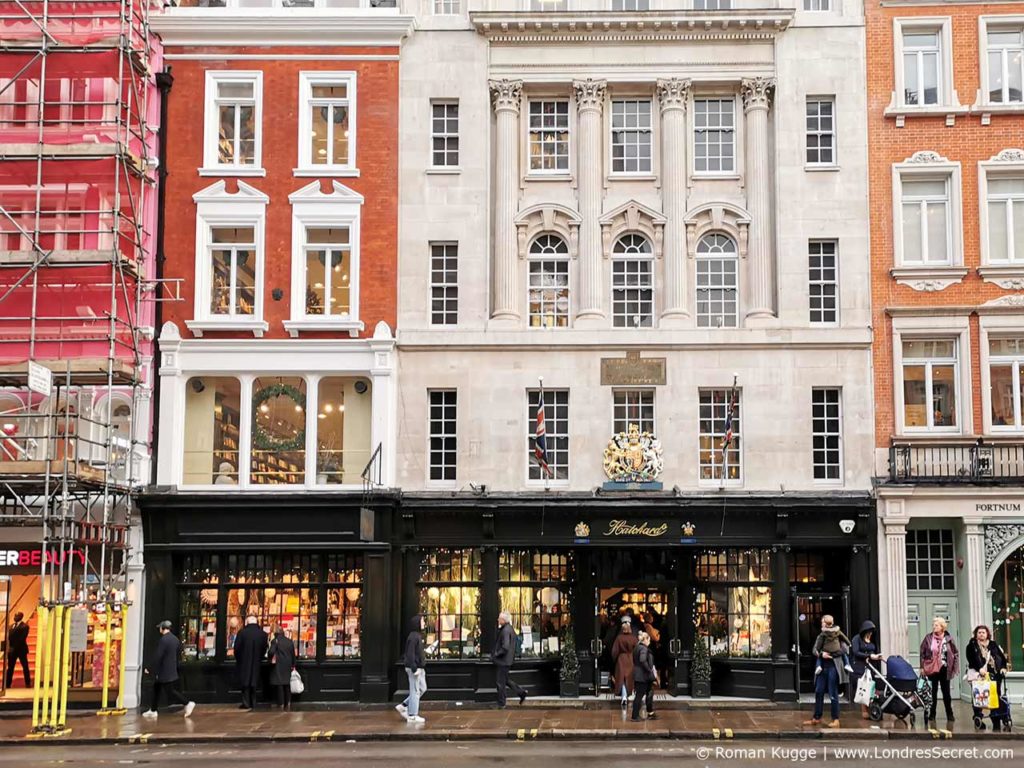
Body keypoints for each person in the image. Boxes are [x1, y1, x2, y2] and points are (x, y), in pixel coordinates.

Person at [142, 620, 195, 719]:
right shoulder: (175, 639)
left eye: (160, 628)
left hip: (163, 670)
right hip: (171, 668)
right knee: (157, 688)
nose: (159, 630)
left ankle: (187, 703)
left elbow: (158, 655)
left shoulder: (163, 640)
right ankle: (153, 710)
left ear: (163, 628)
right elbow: (178, 653)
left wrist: (150, 667)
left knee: (170, 691)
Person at [804, 620, 848, 728]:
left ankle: (836, 719)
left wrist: (832, 654)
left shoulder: (837, 635)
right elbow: (814, 650)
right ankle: (817, 717)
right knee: (819, 691)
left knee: (833, 692)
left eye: (824, 623)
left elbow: (844, 649)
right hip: (822, 667)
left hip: (833, 666)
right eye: (822, 623)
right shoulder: (821, 636)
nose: (822, 625)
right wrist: (821, 654)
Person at [965, 624, 1008, 732]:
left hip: (994, 674)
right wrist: (979, 668)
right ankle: (978, 717)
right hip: (979, 674)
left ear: (987, 634)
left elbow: (1001, 658)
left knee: (995, 696)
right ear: (976, 634)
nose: (981, 634)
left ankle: (996, 718)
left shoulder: (993, 644)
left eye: (983, 632)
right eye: (979, 632)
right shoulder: (972, 645)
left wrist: (1003, 668)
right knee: (979, 696)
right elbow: (971, 659)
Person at [920, 617, 959, 724]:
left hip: (945, 668)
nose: (934, 626)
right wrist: (922, 667)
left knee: (946, 693)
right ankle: (932, 714)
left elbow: (955, 653)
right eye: (933, 625)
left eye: (936, 625)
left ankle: (949, 714)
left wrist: (955, 667)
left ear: (942, 627)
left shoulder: (948, 638)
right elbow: (922, 652)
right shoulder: (928, 638)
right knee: (933, 693)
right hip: (932, 668)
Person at [396, 615, 426, 724]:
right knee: (415, 691)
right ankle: (413, 715)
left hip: (419, 668)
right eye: (422, 621)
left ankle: (403, 705)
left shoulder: (417, 636)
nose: (424, 623)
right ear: (417, 623)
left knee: (422, 688)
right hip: (415, 668)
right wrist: (414, 668)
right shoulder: (414, 636)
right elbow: (410, 654)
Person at [493, 610, 527, 708]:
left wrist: (496, 654)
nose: (498, 619)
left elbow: (505, 646)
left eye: (499, 618)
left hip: (503, 661)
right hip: (508, 660)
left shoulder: (505, 630)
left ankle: (501, 703)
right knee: (505, 680)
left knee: (500, 682)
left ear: (503, 620)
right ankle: (521, 693)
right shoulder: (510, 629)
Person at [850, 620, 882, 720]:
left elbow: (875, 650)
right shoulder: (857, 639)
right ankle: (864, 710)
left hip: (870, 667)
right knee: (863, 688)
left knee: (871, 688)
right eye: (868, 632)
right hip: (859, 667)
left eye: (871, 632)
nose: (870, 634)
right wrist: (868, 655)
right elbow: (856, 651)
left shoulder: (872, 640)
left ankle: (871, 708)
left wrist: (876, 657)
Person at [233, 616, 267, 711]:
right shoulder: (263, 634)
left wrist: (239, 659)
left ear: (247, 622)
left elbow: (237, 648)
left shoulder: (242, 633)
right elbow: (264, 648)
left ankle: (246, 702)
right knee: (254, 681)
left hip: (244, 662)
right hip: (257, 662)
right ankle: (254, 701)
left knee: (245, 682)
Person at [630, 631, 658, 722]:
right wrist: (649, 670)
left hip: (639, 674)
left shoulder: (637, 647)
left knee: (647, 693)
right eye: (649, 639)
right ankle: (635, 716)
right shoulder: (643, 649)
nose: (649, 642)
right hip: (642, 676)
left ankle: (650, 712)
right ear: (645, 639)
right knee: (639, 695)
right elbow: (642, 660)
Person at [267, 626, 295, 711]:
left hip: (278, 665)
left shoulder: (275, 641)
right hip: (287, 665)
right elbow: (293, 654)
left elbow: (271, 652)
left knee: (279, 684)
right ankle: (288, 702)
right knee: (287, 684)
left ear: (275, 633)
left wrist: (269, 656)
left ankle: (281, 703)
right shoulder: (289, 641)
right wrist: (293, 665)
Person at [611, 618, 637, 707]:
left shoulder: (619, 638)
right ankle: (627, 695)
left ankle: (624, 696)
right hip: (630, 659)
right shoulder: (633, 638)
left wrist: (615, 659)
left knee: (621, 679)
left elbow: (614, 651)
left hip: (621, 660)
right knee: (629, 679)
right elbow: (637, 650)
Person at [4, 612, 30, 689]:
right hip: (12, 651)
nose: (15, 617)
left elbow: (22, 639)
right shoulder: (10, 626)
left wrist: (13, 647)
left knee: (25, 666)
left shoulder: (25, 626)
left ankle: (27, 683)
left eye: (17, 615)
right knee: (10, 668)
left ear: (21, 617)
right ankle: (7, 684)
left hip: (21, 650)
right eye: (15, 615)